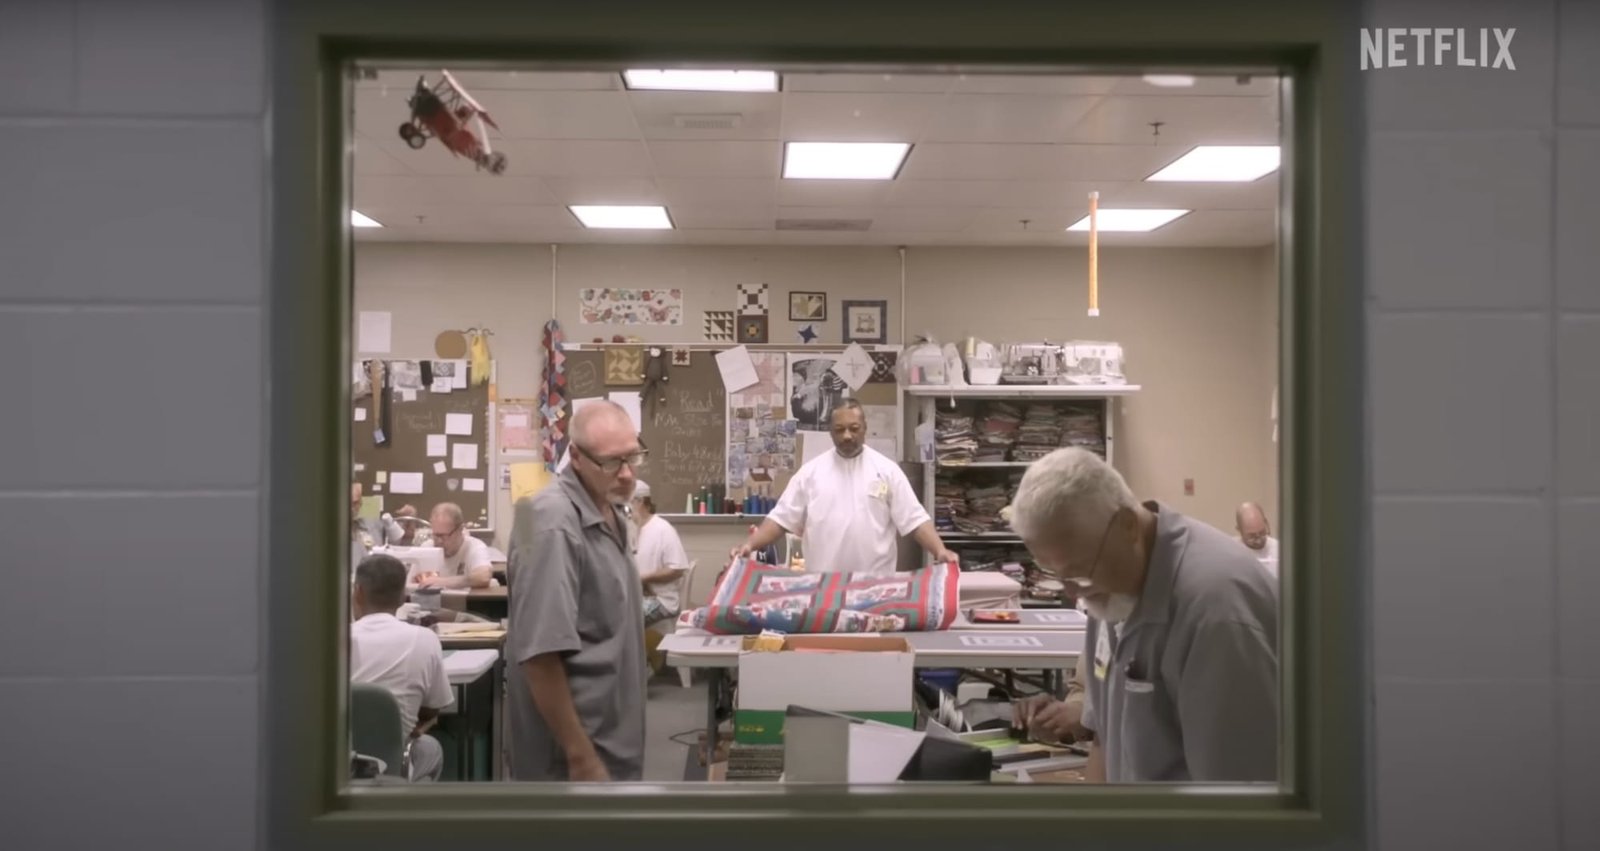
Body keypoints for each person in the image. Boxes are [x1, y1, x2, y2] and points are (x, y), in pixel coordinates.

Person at [1009, 448, 1279, 783]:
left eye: (1077, 574)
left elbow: (1239, 801)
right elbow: (1104, 740)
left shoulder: (1218, 611)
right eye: (1054, 573)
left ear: (1128, 527)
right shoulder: (1107, 589)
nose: (1071, 592)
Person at [505, 400, 647, 782]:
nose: (627, 474)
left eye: (633, 457)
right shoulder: (550, 521)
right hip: (573, 758)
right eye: (612, 462)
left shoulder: (610, 510)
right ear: (577, 457)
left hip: (612, 738)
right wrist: (580, 756)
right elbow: (540, 655)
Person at [734, 399, 958, 575]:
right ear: (831, 431)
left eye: (854, 428)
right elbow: (780, 520)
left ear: (864, 429)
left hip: (876, 587)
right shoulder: (810, 473)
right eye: (839, 429)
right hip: (822, 587)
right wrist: (749, 546)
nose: (847, 435)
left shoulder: (887, 471)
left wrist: (940, 550)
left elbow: (915, 520)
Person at [349, 553, 454, 782]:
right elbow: (432, 710)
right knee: (430, 748)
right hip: (395, 766)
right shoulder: (424, 639)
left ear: (357, 592)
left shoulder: (334, 638)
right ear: (403, 597)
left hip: (339, 763)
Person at [630, 480, 689, 626]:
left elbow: (677, 569)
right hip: (635, 595)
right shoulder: (630, 529)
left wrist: (644, 579)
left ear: (640, 502)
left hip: (661, 600)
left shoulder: (662, 529)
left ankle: (636, 649)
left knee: (623, 619)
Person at [414, 502, 493, 589]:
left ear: (460, 530)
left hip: (465, 601)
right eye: (436, 535)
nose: (439, 541)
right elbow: (409, 584)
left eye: (444, 536)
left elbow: (483, 577)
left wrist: (441, 582)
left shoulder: (475, 547)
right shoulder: (427, 548)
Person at [350, 482, 404, 570]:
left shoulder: (371, 517)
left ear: (361, 502)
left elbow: (396, 542)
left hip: (375, 575)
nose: (352, 508)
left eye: (355, 503)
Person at [1235, 502, 1280, 578]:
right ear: (1239, 530)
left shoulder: (1280, 550)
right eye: (1252, 536)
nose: (1258, 540)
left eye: (1262, 533)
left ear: (1266, 523)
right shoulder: (1233, 552)